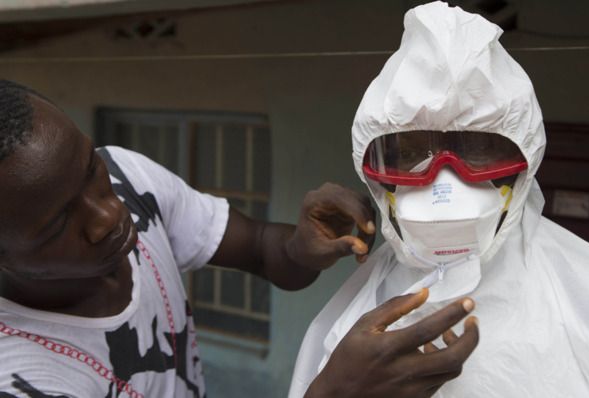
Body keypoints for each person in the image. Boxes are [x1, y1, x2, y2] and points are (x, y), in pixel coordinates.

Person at [0, 78, 481, 397]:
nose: (107, 213)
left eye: (90, 169)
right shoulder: (23, 380)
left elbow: (260, 250)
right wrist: (333, 391)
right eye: (59, 223)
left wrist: (299, 248)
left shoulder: (131, 179)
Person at [290, 2, 589, 398]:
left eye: (479, 149)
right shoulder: (344, 326)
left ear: (525, 157)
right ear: (374, 173)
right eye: (410, 153)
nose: (443, 183)